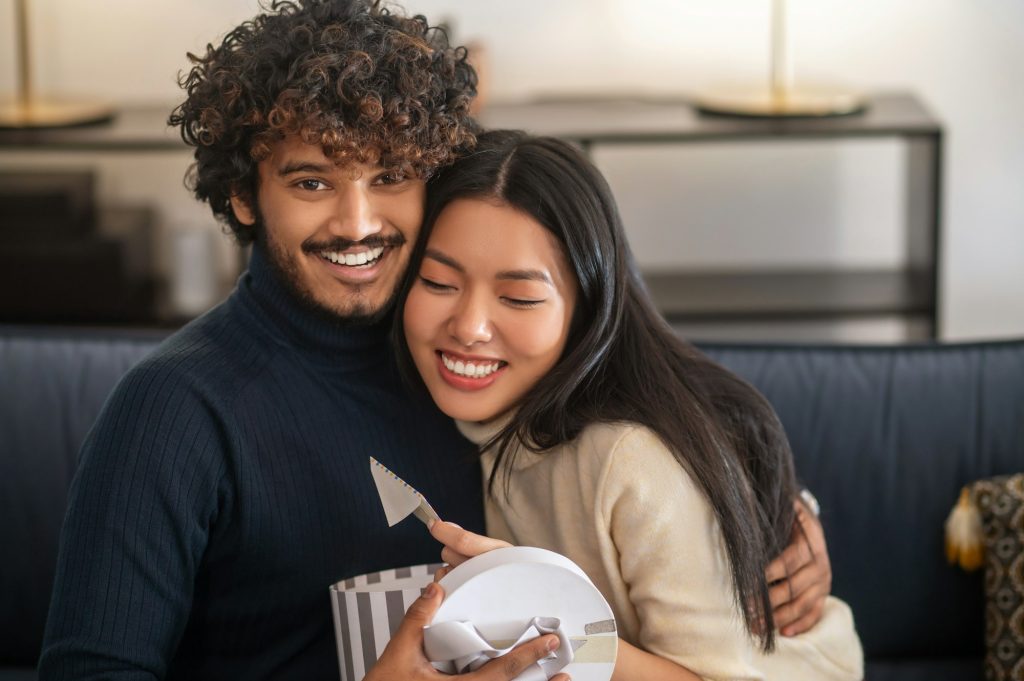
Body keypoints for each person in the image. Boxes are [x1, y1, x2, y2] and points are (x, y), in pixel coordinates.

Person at [38, 2, 831, 679]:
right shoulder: (172, 412)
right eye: (312, 181)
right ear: (245, 195)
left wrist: (773, 513)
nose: (357, 224)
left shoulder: (463, 358)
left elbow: (643, 392)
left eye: (389, 177)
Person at [395, 130, 864, 680]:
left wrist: (543, 611)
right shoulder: (476, 413)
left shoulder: (632, 460)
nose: (469, 328)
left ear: (587, 309)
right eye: (438, 281)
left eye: (518, 297)